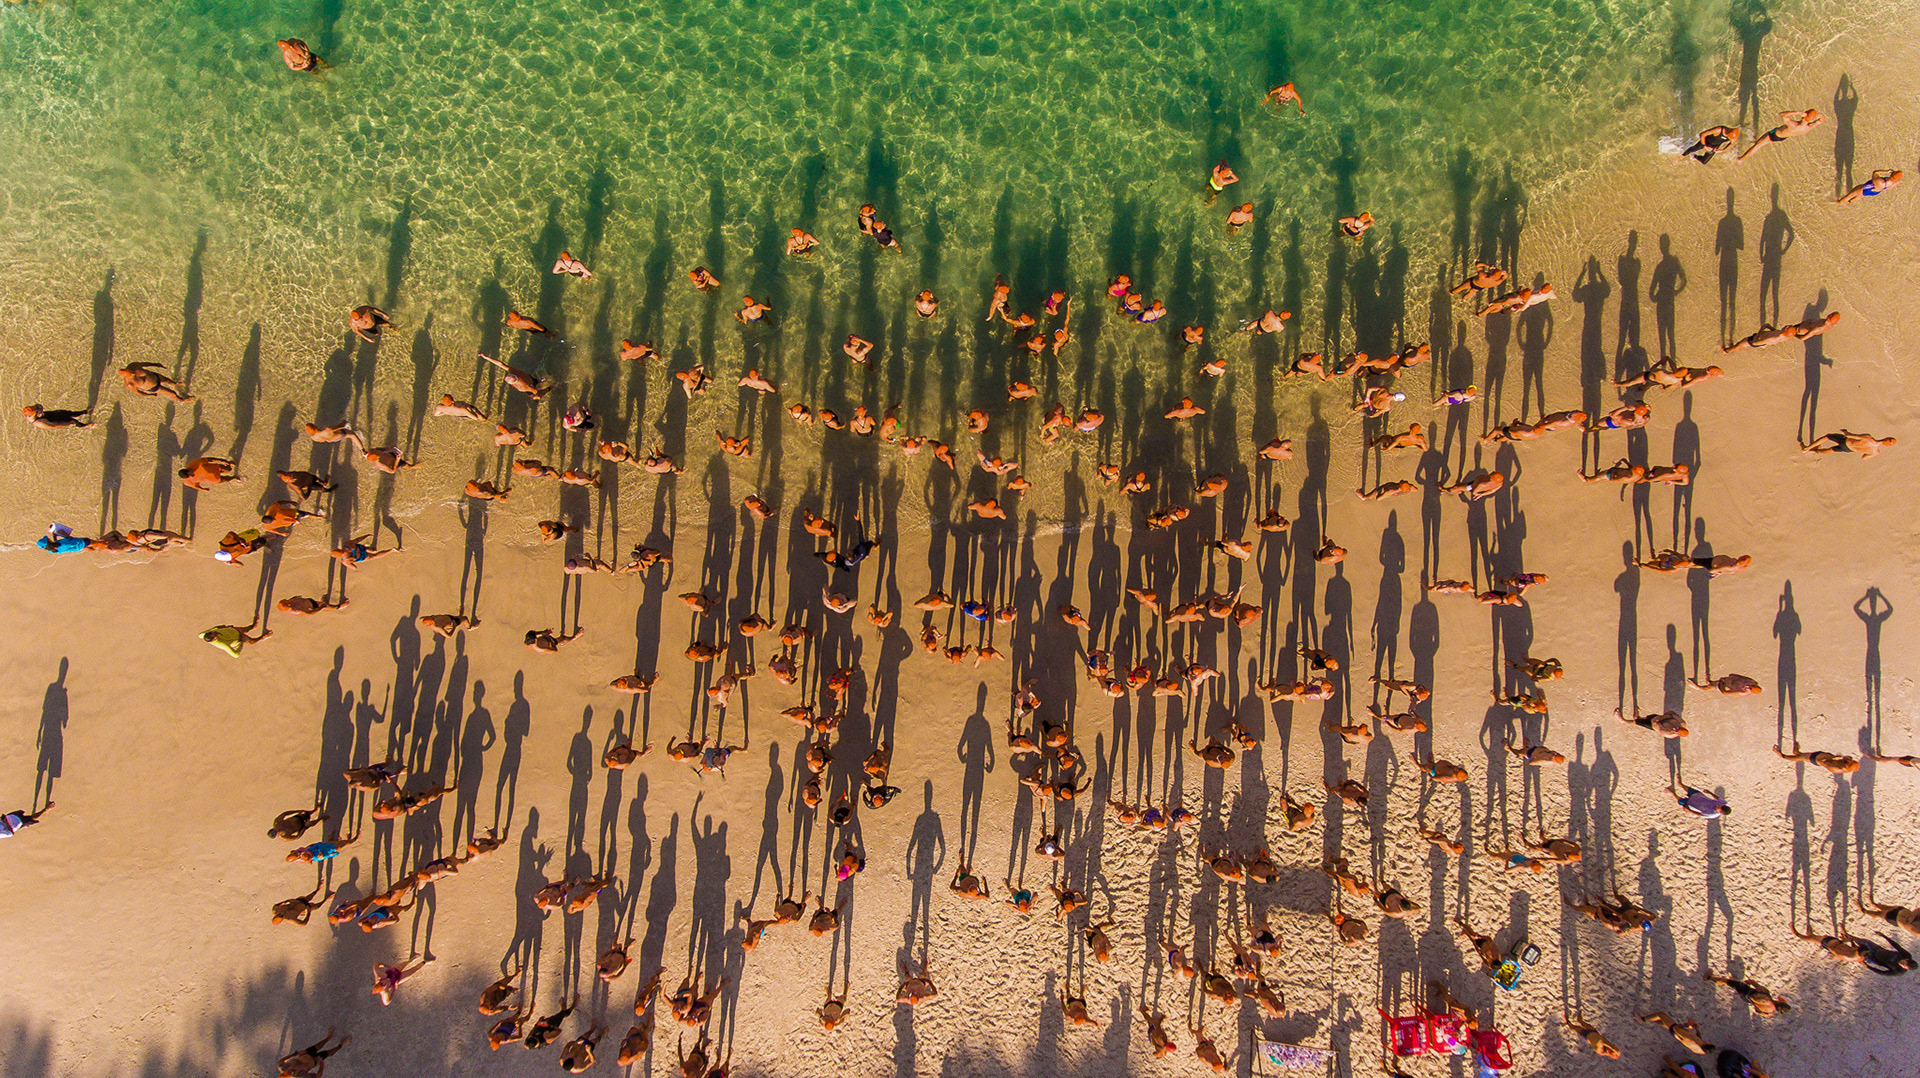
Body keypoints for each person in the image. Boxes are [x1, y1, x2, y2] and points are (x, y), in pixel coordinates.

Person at [1737, 108, 1823, 161]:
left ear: (1803, 115)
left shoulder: (1794, 125)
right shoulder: (1809, 127)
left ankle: (1741, 159)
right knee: (1759, 142)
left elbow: (1782, 115)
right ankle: (1754, 140)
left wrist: (1797, 112)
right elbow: (1821, 120)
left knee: (1757, 146)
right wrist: (1816, 115)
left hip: (1774, 134)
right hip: (1783, 137)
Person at [1702, 971, 1790, 1015]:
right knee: (1735, 987)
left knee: (1729, 982)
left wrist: (1750, 982)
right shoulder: (1770, 1012)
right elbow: (1757, 1012)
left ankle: (1709, 978)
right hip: (1746, 999)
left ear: (1781, 1001)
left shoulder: (1766, 995)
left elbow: (1756, 985)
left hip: (1747, 991)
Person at [277, 1030, 349, 1077]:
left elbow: (282, 1060)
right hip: (315, 1061)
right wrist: (321, 1065)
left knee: (318, 1045)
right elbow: (318, 1076)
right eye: (291, 1075)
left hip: (305, 1055)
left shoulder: (283, 1067)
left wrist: (295, 1054)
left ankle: (328, 1038)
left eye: (288, 1072)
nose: (291, 1073)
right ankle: (341, 1045)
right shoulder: (300, 1075)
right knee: (328, 1052)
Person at [118, 361, 193, 402]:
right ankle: (182, 400)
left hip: (155, 376)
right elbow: (139, 393)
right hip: (154, 387)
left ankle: (175, 384)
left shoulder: (133, 365)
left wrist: (155, 364)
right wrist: (150, 395)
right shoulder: (129, 384)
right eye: (132, 375)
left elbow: (144, 364)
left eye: (132, 372)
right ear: (126, 377)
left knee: (169, 381)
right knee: (172, 393)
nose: (134, 374)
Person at [201, 621, 272, 657]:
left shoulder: (205, 634)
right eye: (215, 634)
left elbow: (200, 635)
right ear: (214, 639)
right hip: (239, 638)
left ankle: (253, 626)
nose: (215, 631)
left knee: (245, 629)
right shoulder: (222, 644)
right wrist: (241, 643)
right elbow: (236, 654)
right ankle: (262, 638)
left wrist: (216, 627)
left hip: (232, 630)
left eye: (212, 631)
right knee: (251, 641)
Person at [1838, 168, 1903, 203]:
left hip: (1867, 188)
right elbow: (1888, 187)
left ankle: (1838, 203)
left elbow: (1875, 172)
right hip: (1875, 192)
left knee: (1849, 195)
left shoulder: (1880, 181)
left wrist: (1886, 171)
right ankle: (1851, 202)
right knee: (1861, 195)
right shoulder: (1894, 183)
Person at [21, 404, 92, 429]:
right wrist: (68, 424)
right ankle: (87, 425)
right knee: (74, 421)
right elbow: (54, 426)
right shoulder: (39, 423)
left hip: (53, 414)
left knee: (70, 413)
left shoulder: (28, 414)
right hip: (56, 420)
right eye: (37, 411)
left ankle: (85, 412)